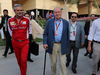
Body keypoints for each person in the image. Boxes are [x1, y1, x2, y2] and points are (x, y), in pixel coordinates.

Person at [43, 7, 69, 75]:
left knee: (63, 63)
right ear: (53, 13)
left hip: (62, 45)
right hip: (52, 45)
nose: (57, 13)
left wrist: (67, 46)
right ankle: (53, 74)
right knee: (53, 63)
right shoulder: (49, 22)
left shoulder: (66, 22)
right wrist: (45, 43)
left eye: (59, 12)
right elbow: (45, 33)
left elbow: (67, 35)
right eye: (56, 12)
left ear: (61, 13)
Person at [8, 4, 31, 75]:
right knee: (19, 60)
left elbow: (29, 30)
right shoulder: (10, 20)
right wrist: (16, 38)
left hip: (24, 42)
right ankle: (22, 70)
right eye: (18, 10)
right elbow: (10, 31)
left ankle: (23, 73)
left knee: (23, 60)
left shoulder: (27, 20)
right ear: (14, 11)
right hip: (15, 42)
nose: (20, 12)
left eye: (21, 10)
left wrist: (24, 38)